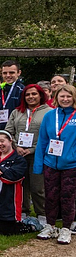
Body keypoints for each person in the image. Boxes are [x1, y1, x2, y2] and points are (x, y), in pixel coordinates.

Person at [34, 84, 76, 244]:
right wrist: (38, 165)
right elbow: (42, 141)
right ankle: (50, 225)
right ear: (56, 98)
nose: (65, 99)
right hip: (50, 162)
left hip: (71, 164)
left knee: (68, 197)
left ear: (73, 97)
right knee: (50, 196)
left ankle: (66, 228)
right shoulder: (50, 116)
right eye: (62, 96)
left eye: (68, 96)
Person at [5, 84, 49, 223]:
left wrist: (32, 149)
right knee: (21, 185)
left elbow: (50, 135)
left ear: (40, 95)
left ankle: (42, 214)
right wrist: (16, 146)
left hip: (38, 154)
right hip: (19, 154)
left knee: (37, 186)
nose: (31, 97)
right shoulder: (17, 112)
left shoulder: (49, 112)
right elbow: (8, 132)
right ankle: (23, 211)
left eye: (34, 94)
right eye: (28, 95)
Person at [0, 60, 25, 133]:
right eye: (5, 73)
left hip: (16, 133)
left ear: (19, 73)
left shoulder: (23, 91)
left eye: (11, 72)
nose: (8, 75)